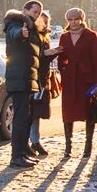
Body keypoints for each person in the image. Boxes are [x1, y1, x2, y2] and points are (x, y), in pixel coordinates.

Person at [58, 7, 97, 159]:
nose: (73, 22)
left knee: (88, 112)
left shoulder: (90, 35)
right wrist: (63, 69)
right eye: (70, 20)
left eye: (76, 19)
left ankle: (88, 146)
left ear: (81, 19)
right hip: (70, 80)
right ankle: (68, 146)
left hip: (87, 79)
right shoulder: (64, 37)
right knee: (68, 112)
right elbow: (61, 57)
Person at [4, 0, 44, 169]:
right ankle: (17, 156)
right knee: (20, 118)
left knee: (26, 117)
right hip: (19, 79)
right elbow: (14, 34)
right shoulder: (17, 23)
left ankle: (23, 151)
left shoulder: (31, 27)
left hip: (27, 78)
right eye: (34, 12)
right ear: (25, 10)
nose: (36, 15)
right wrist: (21, 33)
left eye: (38, 13)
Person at [29, 11, 62, 156]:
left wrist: (53, 53)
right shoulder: (32, 36)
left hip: (43, 79)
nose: (46, 25)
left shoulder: (45, 37)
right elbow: (36, 58)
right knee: (31, 112)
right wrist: (50, 53)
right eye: (43, 21)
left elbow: (44, 60)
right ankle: (32, 142)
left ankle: (35, 141)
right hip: (33, 79)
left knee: (37, 112)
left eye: (47, 22)